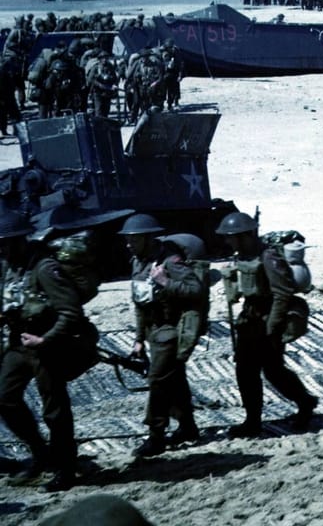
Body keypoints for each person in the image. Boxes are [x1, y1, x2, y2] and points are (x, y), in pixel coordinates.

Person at [0, 210, 97, 491]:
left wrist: (46, 340)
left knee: (54, 411)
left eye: (6, 243)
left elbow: (71, 313)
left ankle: (65, 468)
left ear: (20, 241)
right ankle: (40, 453)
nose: (2, 249)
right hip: (20, 344)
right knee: (4, 397)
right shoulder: (9, 267)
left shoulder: (44, 268)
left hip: (48, 346)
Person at [216, 212, 317, 436]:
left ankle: (304, 402)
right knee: (246, 370)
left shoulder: (268, 257)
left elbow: (282, 293)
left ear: (247, 236)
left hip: (268, 320)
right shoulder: (245, 255)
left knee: (273, 370)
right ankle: (253, 420)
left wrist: (273, 327)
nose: (228, 241)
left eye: (232, 237)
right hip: (250, 319)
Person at [121, 214, 204, 456]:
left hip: (171, 329)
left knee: (158, 380)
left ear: (147, 238)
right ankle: (188, 427)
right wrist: (138, 339)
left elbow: (195, 290)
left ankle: (156, 436)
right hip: (152, 330)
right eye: (127, 240)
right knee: (175, 379)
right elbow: (140, 302)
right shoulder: (138, 262)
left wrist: (165, 281)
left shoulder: (170, 262)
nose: (128, 244)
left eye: (133, 240)